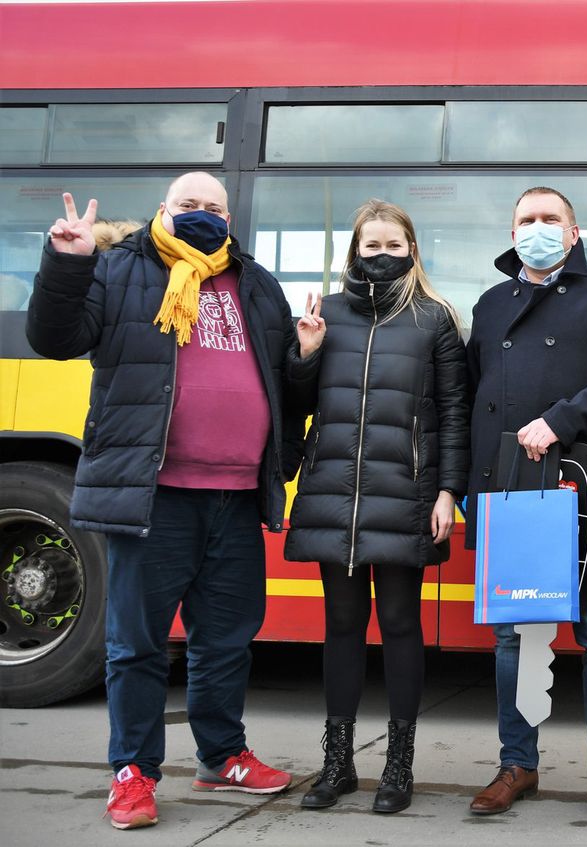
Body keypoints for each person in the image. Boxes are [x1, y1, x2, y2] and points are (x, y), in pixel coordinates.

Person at [25, 173, 305, 830]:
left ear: (230, 217)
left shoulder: (255, 283)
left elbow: (284, 384)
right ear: (163, 210)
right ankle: (133, 771)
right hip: (155, 495)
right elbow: (56, 337)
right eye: (190, 205)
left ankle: (223, 753)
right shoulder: (121, 267)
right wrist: (66, 263)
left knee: (228, 640)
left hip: (235, 498)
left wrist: (298, 391)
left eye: (214, 207)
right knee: (138, 644)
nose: (203, 214)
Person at [465, 187, 587, 835]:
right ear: (512, 229)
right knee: (511, 639)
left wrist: (561, 419)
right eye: (527, 219)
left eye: (551, 219)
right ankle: (516, 763)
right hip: (510, 493)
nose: (538, 228)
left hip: (586, 487)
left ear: (574, 233)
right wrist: (470, 488)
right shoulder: (491, 306)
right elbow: (474, 402)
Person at [283, 200, 469, 814]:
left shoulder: (435, 319)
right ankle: (337, 766)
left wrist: (448, 491)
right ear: (354, 253)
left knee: (398, 624)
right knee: (339, 627)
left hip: (407, 494)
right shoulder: (326, 315)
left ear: (412, 250)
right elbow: (300, 400)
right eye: (372, 246)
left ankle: (398, 767)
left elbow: (453, 412)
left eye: (394, 245)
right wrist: (305, 353)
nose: (383, 255)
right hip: (335, 490)